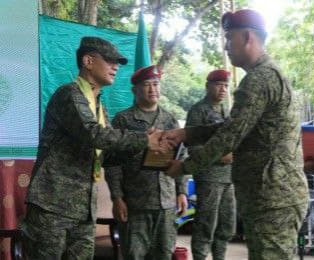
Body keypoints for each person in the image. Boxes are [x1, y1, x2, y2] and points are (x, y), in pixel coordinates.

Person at [163, 9, 309, 260]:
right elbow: (234, 126)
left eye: (230, 38)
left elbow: (230, 136)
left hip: (272, 197)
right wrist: (185, 133)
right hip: (272, 195)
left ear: (248, 37)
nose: (227, 46)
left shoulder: (259, 79)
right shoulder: (267, 73)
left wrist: (185, 166)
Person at [20, 37, 171, 259]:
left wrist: (145, 148)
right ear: (88, 61)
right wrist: (143, 139)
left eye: (117, 62)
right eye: (110, 60)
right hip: (52, 206)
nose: (116, 66)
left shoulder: (98, 105)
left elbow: (106, 156)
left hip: (83, 210)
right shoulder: (69, 95)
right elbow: (94, 135)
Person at [105, 65, 188, 260]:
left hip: (166, 203)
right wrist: (117, 198)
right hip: (135, 204)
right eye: (147, 85)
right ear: (135, 90)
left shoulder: (170, 120)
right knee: (134, 255)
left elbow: (181, 157)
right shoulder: (123, 120)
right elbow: (112, 163)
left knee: (164, 254)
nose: (153, 89)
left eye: (156, 84)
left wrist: (182, 191)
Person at [185, 69, 236, 260]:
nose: (223, 89)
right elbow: (192, 147)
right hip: (209, 178)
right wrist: (218, 157)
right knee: (206, 225)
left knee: (226, 226)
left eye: (225, 86)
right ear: (208, 86)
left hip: (228, 178)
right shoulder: (198, 111)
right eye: (218, 85)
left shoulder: (225, 110)